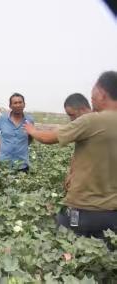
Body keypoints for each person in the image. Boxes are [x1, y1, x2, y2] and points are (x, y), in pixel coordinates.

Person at [24, 71, 117, 239]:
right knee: (104, 257)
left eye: (93, 94)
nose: (92, 98)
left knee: (67, 250)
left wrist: (31, 130)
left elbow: (48, 138)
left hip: (83, 208)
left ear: (102, 94)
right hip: (112, 213)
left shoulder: (92, 120)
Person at [0, 93, 34, 172]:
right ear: (10, 106)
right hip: (4, 164)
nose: (18, 105)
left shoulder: (29, 120)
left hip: (22, 165)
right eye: (15, 103)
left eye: (20, 102)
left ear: (24, 104)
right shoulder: (2, 119)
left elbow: (30, 138)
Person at [62, 93, 92, 190]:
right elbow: (78, 153)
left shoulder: (97, 123)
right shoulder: (83, 127)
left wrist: (33, 131)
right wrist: (71, 173)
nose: (71, 120)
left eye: (72, 115)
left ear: (82, 109)